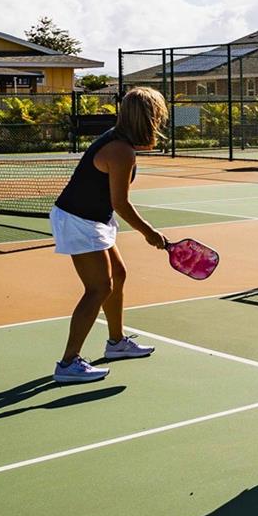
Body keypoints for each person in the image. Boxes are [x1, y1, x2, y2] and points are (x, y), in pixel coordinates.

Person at [49, 86, 170, 383]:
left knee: (118, 275)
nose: (160, 119)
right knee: (99, 288)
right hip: (78, 220)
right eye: (157, 114)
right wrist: (149, 232)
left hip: (94, 218)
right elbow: (121, 203)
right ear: (148, 117)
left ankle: (116, 343)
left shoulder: (121, 142)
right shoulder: (120, 150)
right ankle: (68, 363)